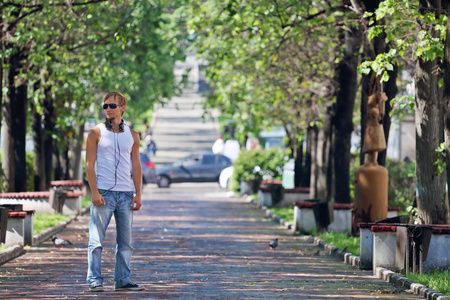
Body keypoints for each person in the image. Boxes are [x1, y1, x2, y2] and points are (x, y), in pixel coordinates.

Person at [85, 92, 144, 292]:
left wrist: (138, 193)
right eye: (105, 106)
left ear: (122, 108)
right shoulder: (95, 133)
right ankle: (94, 280)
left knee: (125, 243)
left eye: (112, 105)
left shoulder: (133, 135)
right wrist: (94, 192)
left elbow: (136, 166)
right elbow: (89, 165)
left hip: (126, 194)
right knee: (96, 241)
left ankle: (123, 280)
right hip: (104, 192)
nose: (108, 109)